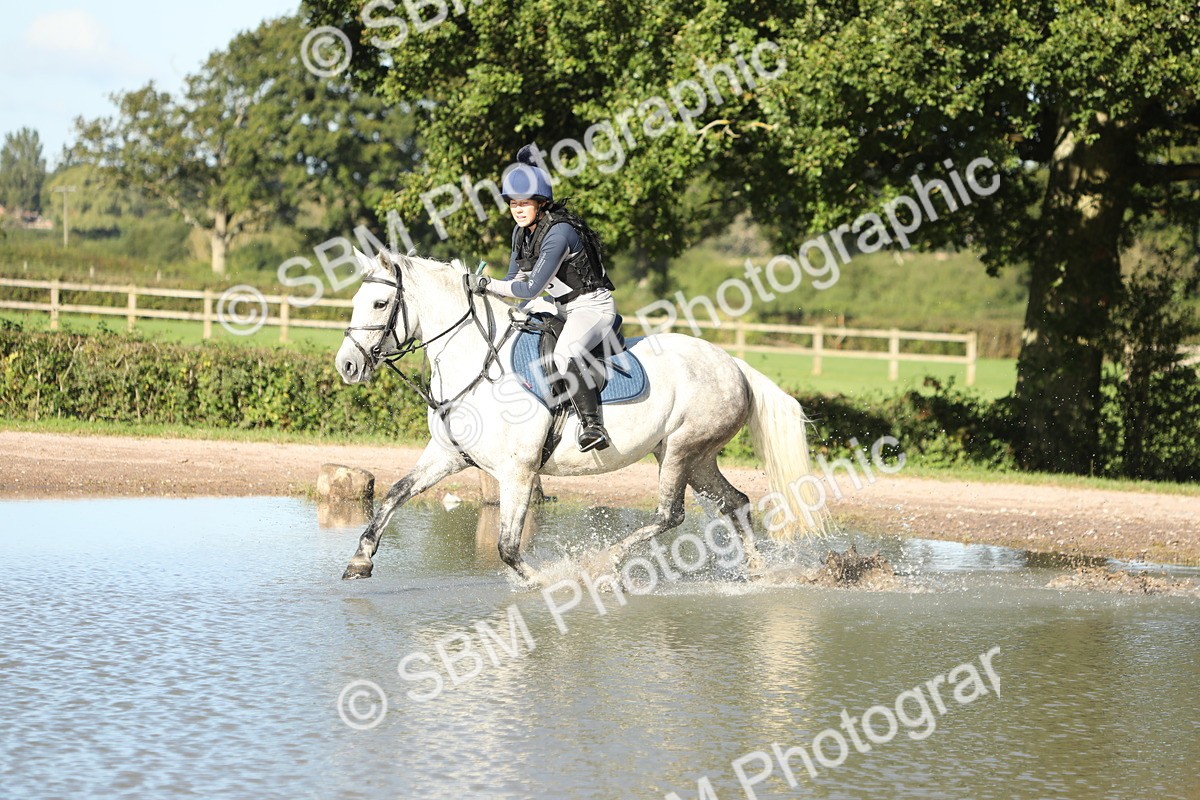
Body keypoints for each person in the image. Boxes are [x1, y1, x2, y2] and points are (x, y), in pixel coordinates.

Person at [467, 144, 618, 452]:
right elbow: (513, 281)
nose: (518, 209)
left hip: (591, 306)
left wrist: (486, 283)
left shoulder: (559, 233)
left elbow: (529, 289)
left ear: (542, 203)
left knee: (564, 354)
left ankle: (592, 426)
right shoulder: (521, 233)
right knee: (514, 323)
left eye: (525, 203)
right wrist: (486, 287)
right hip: (559, 304)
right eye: (513, 204)